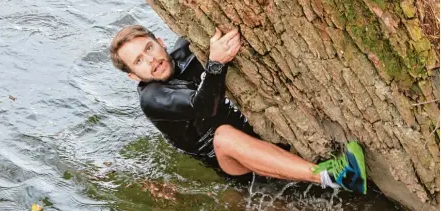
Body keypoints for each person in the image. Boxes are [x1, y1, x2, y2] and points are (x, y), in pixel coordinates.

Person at [109, 25, 367, 194]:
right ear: (134, 76)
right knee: (223, 135)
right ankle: (330, 176)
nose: (151, 60)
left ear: (160, 42)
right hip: (236, 166)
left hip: (258, 134)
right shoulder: (152, 99)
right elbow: (203, 106)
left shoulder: (185, 49)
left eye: (149, 48)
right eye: (139, 61)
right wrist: (216, 63)